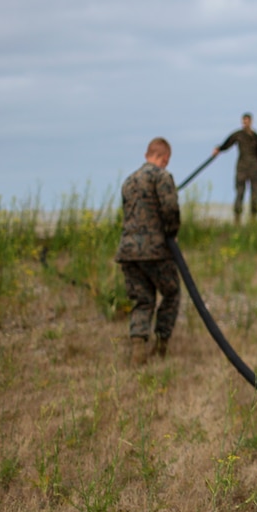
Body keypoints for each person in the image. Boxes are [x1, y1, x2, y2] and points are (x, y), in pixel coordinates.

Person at [115, 137, 182, 364]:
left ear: (147, 155)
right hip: (155, 250)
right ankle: (161, 345)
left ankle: (138, 352)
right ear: (165, 158)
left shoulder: (128, 181)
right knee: (172, 293)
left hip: (128, 251)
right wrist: (172, 233)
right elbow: (170, 208)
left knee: (142, 300)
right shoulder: (162, 176)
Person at [212, 112, 257, 224]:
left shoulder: (256, 137)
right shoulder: (238, 135)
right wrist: (218, 149)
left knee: (255, 195)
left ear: (251, 122)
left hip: (255, 169)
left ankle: (254, 219)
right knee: (240, 193)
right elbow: (227, 144)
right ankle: (237, 219)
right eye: (244, 121)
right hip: (242, 168)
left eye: (247, 121)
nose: (245, 123)